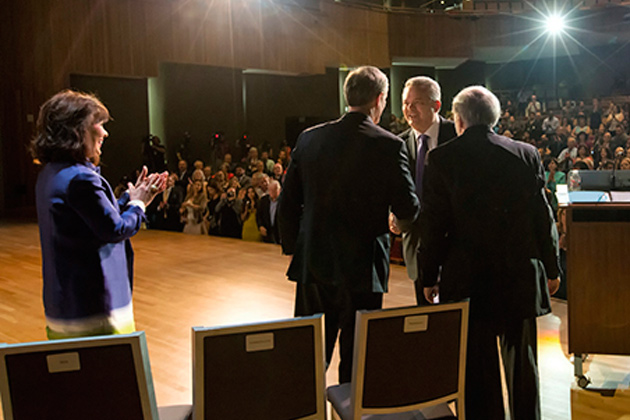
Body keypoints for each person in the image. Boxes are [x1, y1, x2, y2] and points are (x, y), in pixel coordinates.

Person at [418, 86, 561, 420]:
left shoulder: (441, 158)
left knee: (479, 374)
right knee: (522, 368)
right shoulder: (526, 153)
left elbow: (434, 226)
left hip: (469, 280)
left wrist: (428, 275)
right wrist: (552, 269)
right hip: (517, 277)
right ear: (495, 118)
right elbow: (543, 217)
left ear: (459, 119)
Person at [279, 66, 420, 383]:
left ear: (348, 96)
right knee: (357, 363)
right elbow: (408, 208)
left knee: (309, 358)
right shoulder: (388, 145)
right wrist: (396, 222)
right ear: (379, 99)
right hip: (362, 268)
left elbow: (288, 203)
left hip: (313, 263)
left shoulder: (310, 138)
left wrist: (293, 248)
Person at [31, 90, 167, 339]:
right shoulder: (81, 178)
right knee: (109, 372)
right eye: (99, 125)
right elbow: (113, 229)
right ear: (76, 129)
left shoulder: (52, 173)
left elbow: (91, 214)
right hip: (94, 307)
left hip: (65, 301)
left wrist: (129, 197)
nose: (105, 133)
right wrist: (140, 204)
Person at [392, 76, 456, 305]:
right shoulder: (397, 144)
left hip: (455, 247)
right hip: (417, 245)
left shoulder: (457, 136)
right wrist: (393, 212)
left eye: (416, 102)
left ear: (436, 105)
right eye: (405, 103)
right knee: (425, 317)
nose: (409, 109)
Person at [257, 179, 282, 244]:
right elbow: (259, 215)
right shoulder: (264, 200)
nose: (272, 192)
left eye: (274, 190)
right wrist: (260, 226)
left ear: (279, 190)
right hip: (267, 232)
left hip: (280, 233)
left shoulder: (284, 202)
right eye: (270, 190)